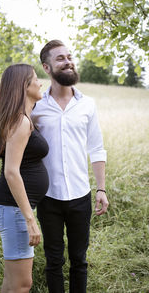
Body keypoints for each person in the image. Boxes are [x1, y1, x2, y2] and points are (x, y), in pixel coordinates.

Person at [31, 40, 109, 293]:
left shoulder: (87, 104)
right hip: (48, 197)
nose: (68, 61)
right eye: (60, 58)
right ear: (47, 67)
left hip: (80, 196)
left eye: (70, 56)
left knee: (80, 261)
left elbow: (96, 148)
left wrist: (101, 189)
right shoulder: (36, 106)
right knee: (53, 261)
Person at [0, 63, 49, 293]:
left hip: (12, 209)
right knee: (21, 285)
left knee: (13, 283)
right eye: (36, 78)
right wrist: (30, 219)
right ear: (24, 86)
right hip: (13, 210)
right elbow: (11, 172)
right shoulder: (20, 121)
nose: (40, 82)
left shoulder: (23, 117)